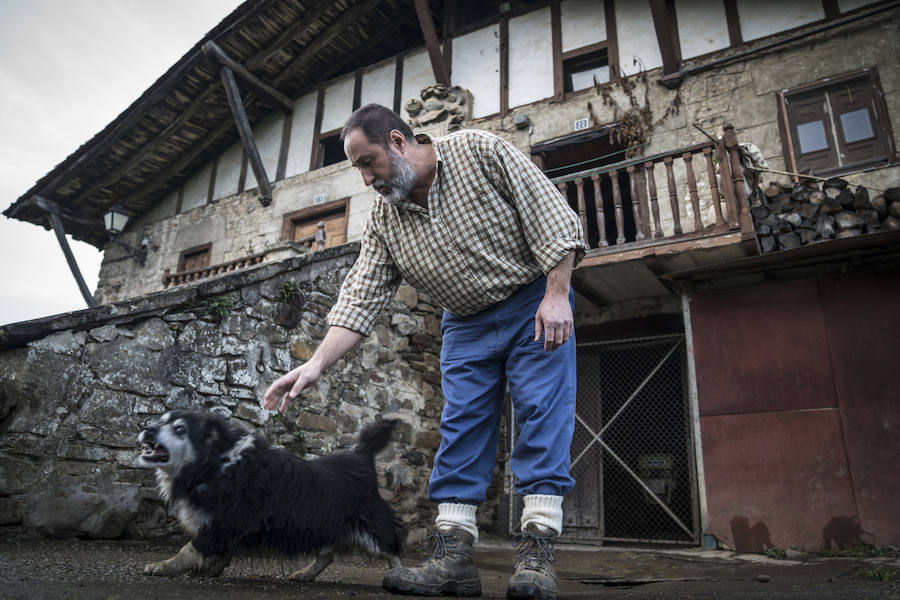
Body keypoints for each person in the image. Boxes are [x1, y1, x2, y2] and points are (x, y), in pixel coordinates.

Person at [263, 104, 585, 600]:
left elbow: (554, 219)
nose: (367, 179)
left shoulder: (480, 150)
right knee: (461, 428)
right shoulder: (385, 222)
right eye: (358, 170)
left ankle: (537, 556)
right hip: (465, 323)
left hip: (532, 303)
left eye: (369, 162)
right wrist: (316, 363)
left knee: (542, 416)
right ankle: (453, 558)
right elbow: (360, 296)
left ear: (397, 141)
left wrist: (558, 293)